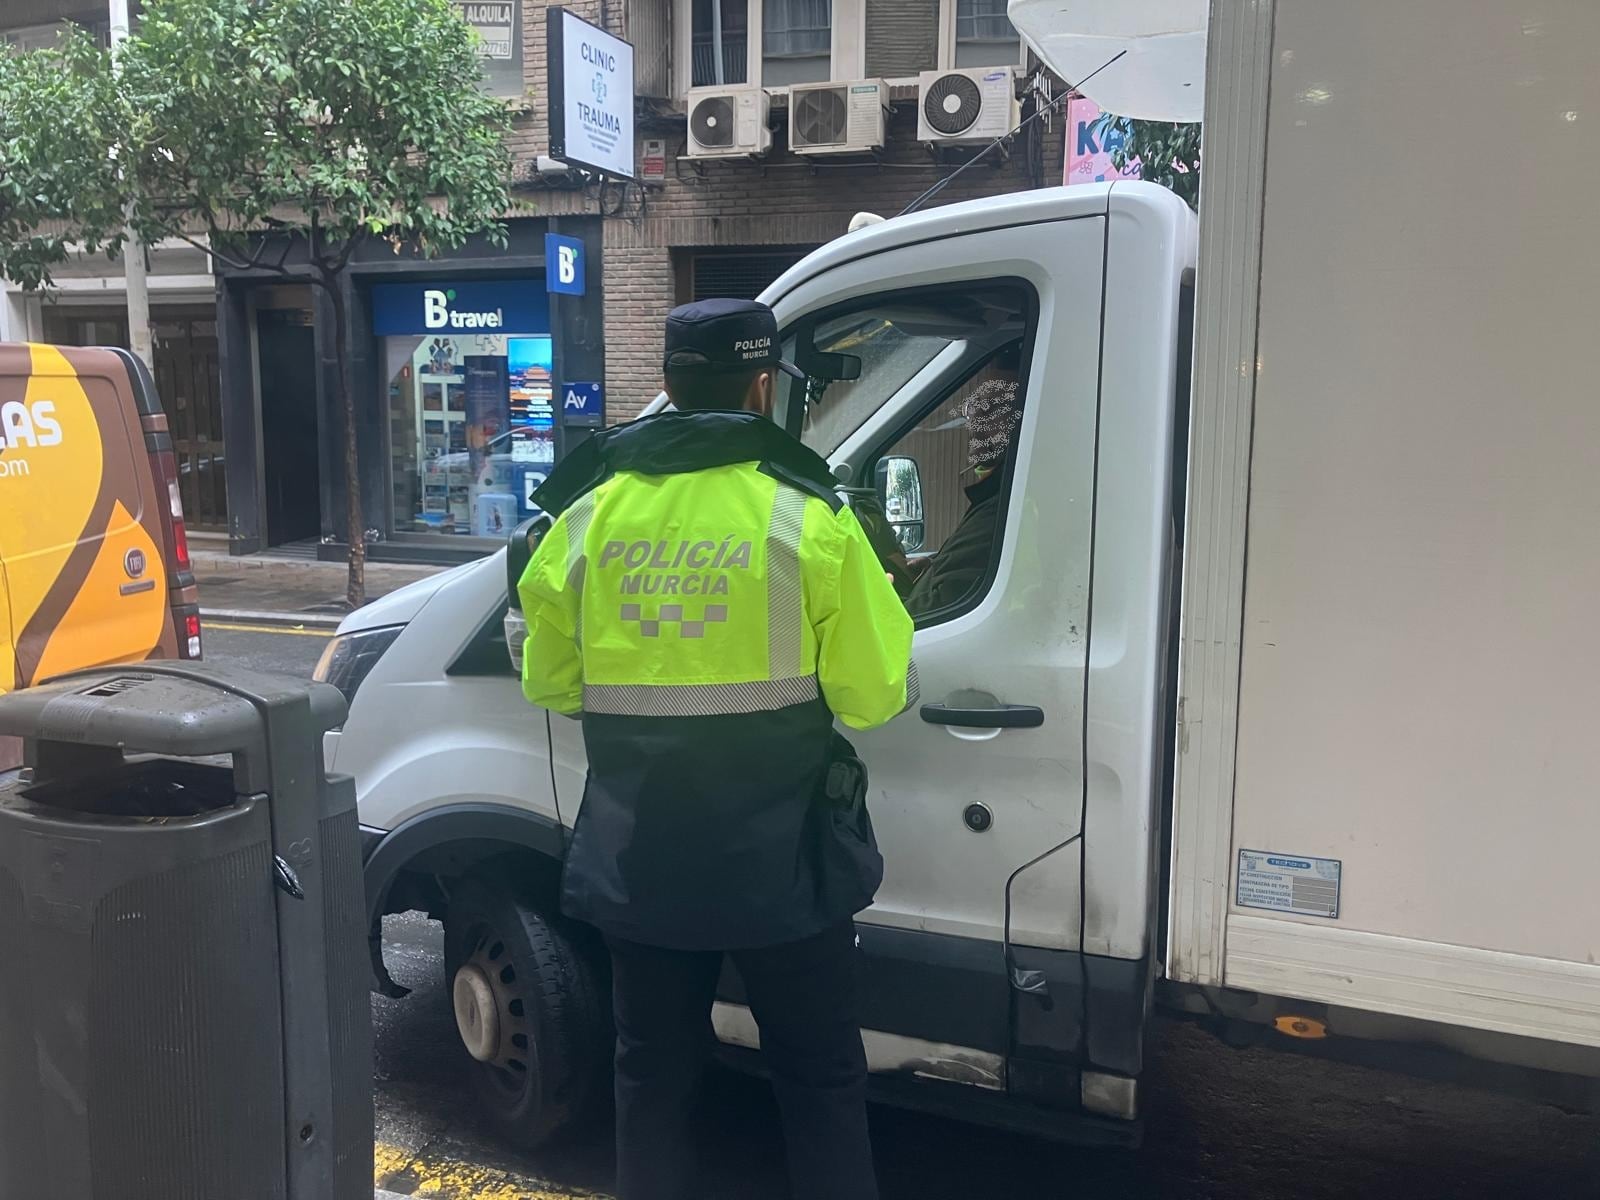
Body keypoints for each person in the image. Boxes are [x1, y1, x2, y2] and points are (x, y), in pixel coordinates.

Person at [516, 297, 916, 1200]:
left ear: (666, 383)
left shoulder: (585, 520)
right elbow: (872, 693)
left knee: (650, 1079)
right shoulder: (806, 519)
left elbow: (551, 683)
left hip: (641, 854)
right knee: (818, 1080)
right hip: (788, 863)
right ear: (763, 385)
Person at [904, 347, 1024, 616]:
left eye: (994, 408)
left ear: (1026, 419)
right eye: (974, 408)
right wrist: (934, 567)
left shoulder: (1004, 508)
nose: (976, 420)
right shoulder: (999, 495)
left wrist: (877, 595)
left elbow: (932, 612)